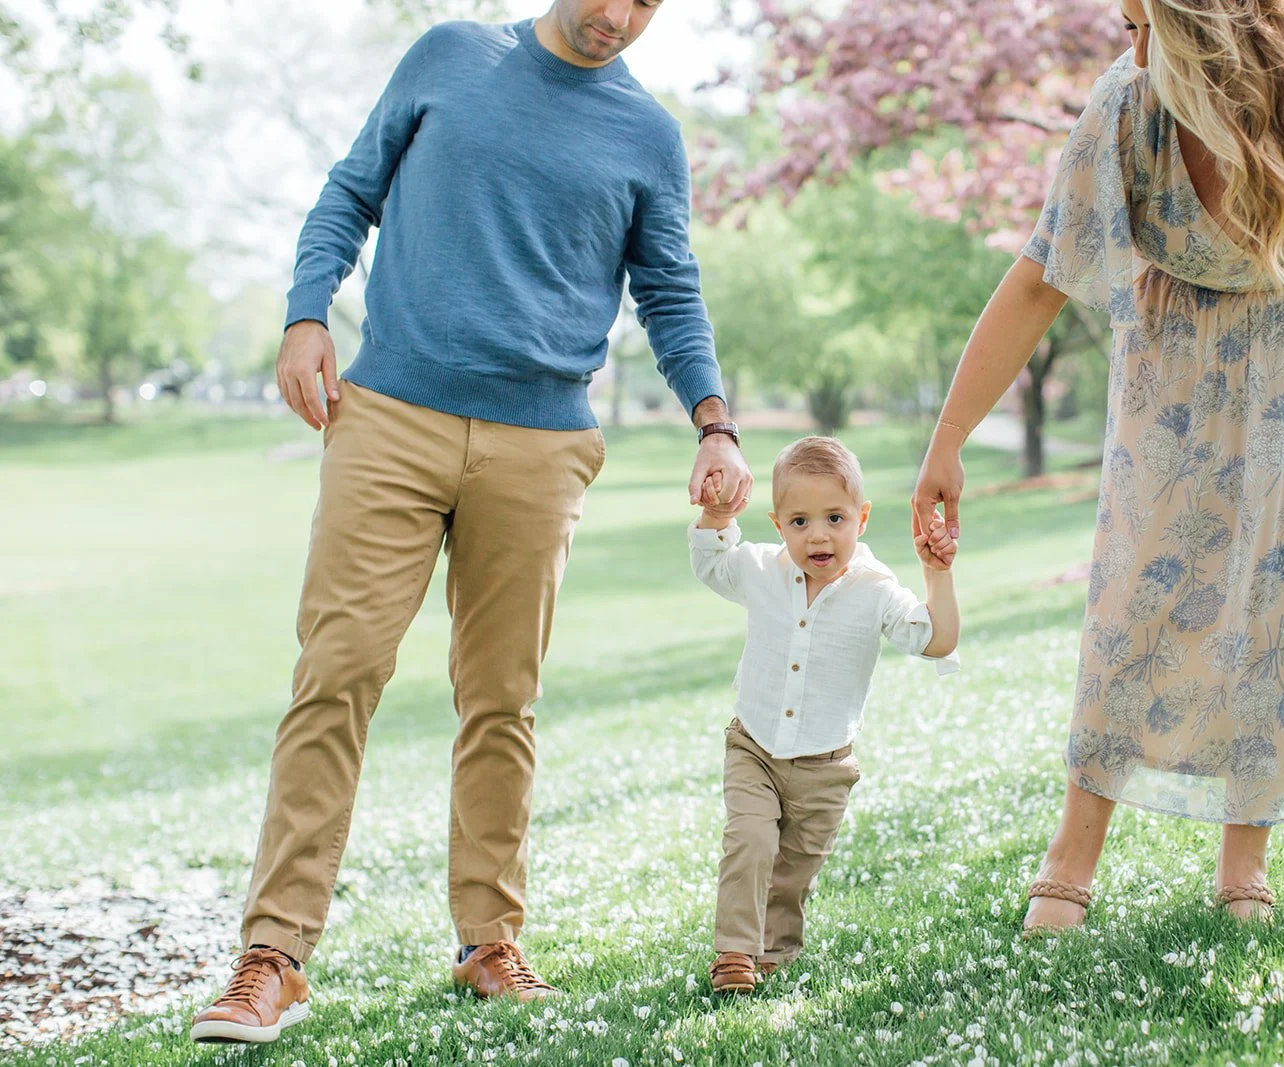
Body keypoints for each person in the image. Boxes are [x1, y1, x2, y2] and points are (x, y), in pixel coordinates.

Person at [191, 0, 752, 1045]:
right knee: (338, 669)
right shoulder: (450, 54)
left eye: (648, 2)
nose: (620, 16)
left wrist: (713, 422)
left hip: (541, 444)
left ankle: (487, 937)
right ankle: (273, 953)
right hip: (391, 416)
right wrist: (307, 309)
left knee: (503, 699)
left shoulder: (646, 133)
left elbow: (669, 289)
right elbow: (350, 191)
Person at [912, 0, 1284, 931]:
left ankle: (1244, 857)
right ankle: (1072, 852)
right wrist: (948, 440)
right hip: (1179, 389)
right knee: (1141, 601)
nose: (1127, 49)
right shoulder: (1128, 108)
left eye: (1141, 25)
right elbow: (1041, 276)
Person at [690, 437, 960, 993]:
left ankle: (776, 954)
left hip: (825, 765)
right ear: (778, 523)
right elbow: (713, 563)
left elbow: (935, 641)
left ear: (861, 517)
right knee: (751, 841)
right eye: (799, 521)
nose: (817, 535)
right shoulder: (764, 568)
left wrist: (937, 574)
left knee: (794, 871)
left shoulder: (875, 590)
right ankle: (735, 955)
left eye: (835, 518)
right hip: (755, 746)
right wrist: (715, 514)